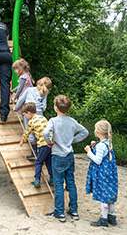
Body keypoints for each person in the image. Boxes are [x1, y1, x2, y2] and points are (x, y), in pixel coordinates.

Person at [43, 95, 89, 223]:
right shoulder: (72, 121)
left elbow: (45, 133)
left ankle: (59, 212)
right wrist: (72, 141)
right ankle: (74, 211)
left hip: (58, 156)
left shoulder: (53, 120)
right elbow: (84, 132)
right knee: (71, 183)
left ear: (56, 108)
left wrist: (49, 142)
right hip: (69, 156)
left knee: (58, 184)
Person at [84, 120, 119, 227]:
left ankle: (103, 219)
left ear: (98, 131)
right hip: (110, 173)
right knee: (109, 194)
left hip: (102, 174)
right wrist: (95, 146)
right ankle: (111, 217)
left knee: (103, 196)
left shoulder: (101, 146)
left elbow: (98, 160)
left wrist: (89, 151)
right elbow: (103, 155)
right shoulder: (108, 143)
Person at [14, 77, 51, 159]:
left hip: (28, 112)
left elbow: (21, 100)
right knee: (39, 131)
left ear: (38, 82)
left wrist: (16, 108)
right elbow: (44, 107)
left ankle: (33, 152)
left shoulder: (29, 90)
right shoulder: (44, 94)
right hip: (39, 113)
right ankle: (40, 150)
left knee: (29, 130)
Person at [19, 103, 53, 189]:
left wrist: (23, 140)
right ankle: (52, 178)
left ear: (29, 113)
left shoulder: (31, 121)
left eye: (25, 115)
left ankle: (37, 180)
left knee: (38, 162)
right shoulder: (43, 118)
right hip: (50, 144)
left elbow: (27, 132)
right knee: (48, 161)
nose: (25, 117)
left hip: (42, 145)